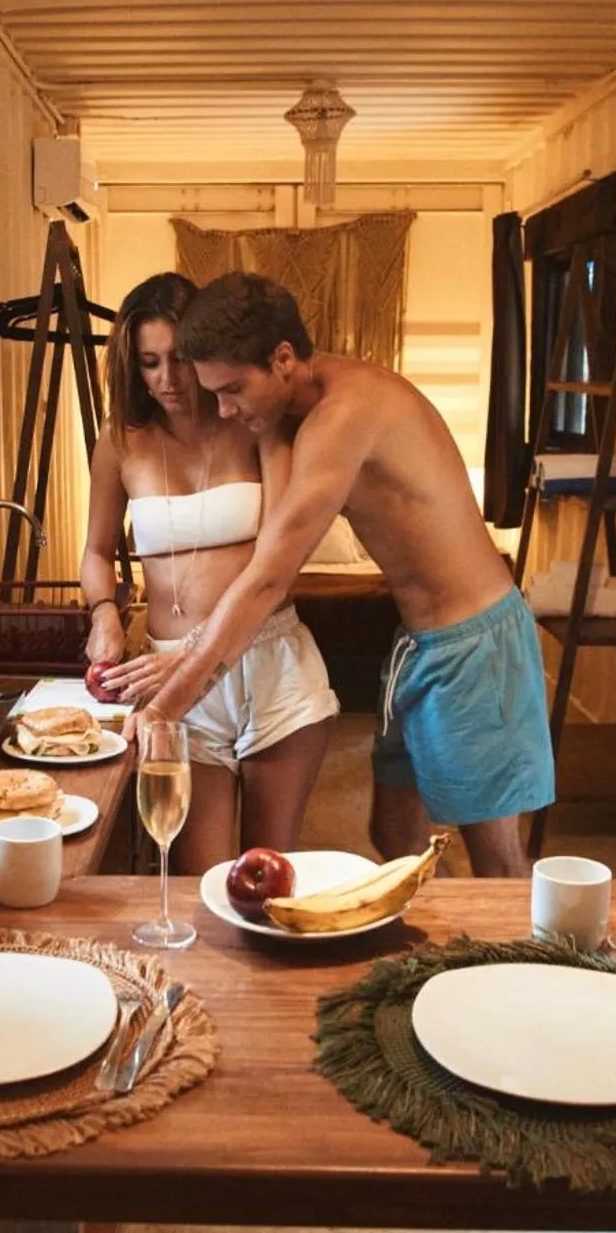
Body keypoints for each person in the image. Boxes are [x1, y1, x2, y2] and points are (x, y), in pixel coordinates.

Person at [139, 273, 555, 876]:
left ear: (283, 358)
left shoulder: (345, 415)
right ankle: (432, 962)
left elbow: (266, 581)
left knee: (498, 865)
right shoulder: (302, 409)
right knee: (394, 836)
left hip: (474, 645)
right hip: (417, 644)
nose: (225, 410)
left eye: (231, 391)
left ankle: (518, 963)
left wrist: (164, 707)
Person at [80, 272, 338, 873]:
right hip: (174, 685)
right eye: (148, 363)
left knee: (268, 876)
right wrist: (105, 614)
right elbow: (97, 552)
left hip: (271, 668)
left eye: (178, 359)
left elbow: (280, 564)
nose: (168, 380)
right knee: (201, 882)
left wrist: (197, 651)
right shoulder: (121, 441)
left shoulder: (257, 425)